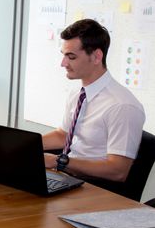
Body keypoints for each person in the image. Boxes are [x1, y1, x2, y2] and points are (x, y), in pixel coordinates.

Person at [42, 19, 145, 182]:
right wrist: (23, 147)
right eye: (64, 56)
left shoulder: (122, 106)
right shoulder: (77, 92)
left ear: (97, 56)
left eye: (71, 57)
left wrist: (59, 162)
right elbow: (63, 135)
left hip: (97, 186)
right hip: (68, 176)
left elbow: (117, 170)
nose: (63, 63)